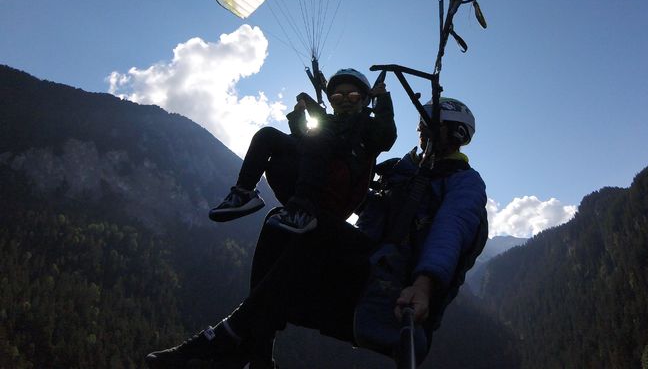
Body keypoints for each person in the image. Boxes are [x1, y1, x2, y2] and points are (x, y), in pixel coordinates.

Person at [146, 96, 487, 368]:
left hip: (396, 290)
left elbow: (450, 230)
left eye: (432, 129)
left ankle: (229, 339)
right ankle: (257, 348)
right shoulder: (400, 172)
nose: (423, 136)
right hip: (365, 266)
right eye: (421, 129)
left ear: (455, 135)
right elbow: (352, 199)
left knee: (315, 231)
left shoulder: (463, 184)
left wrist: (424, 284)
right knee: (283, 220)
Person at [209, 68, 396, 233]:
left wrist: (383, 101)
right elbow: (301, 140)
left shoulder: (369, 126)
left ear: (364, 100)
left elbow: (386, 138)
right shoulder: (328, 123)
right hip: (307, 183)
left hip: (338, 190)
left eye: (353, 96)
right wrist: (298, 114)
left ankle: (302, 211)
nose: (345, 100)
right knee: (268, 135)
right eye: (338, 97)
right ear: (331, 101)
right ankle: (244, 192)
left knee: (317, 135)